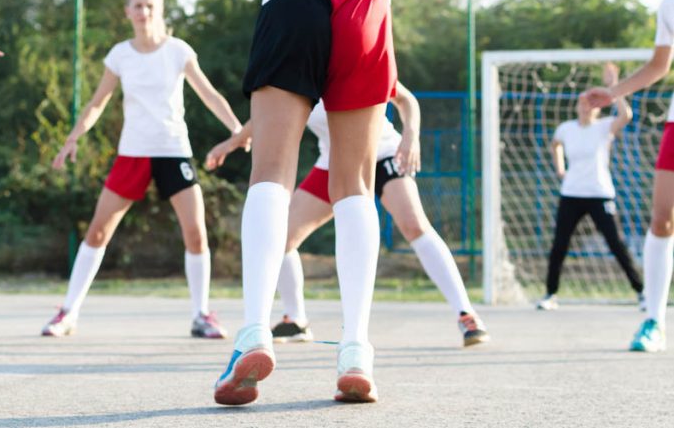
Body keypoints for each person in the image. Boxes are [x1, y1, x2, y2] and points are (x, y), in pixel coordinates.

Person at [177, 0, 403, 404]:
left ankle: (251, 335)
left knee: (271, 170)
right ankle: (355, 349)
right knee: (354, 182)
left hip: (293, 1)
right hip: (364, 3)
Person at [206, 82, 490, 347]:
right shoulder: (300, 71)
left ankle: (467, 315)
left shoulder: (352, 54)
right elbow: (269, 116)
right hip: (333, 164)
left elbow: (406, 100)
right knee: (281, 238)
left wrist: (411, 137)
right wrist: (229, 144)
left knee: (414, 225)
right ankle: (295, 320)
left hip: (383, 155)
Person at [41, 0, 244, 340]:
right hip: (133, 153)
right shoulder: (120, 55)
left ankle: (201, 315)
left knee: (196, 233)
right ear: (127, 11)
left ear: (160, 9)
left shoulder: (179, 50)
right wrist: (73, 138)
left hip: (173, 151)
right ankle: (68, 312)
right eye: (137, 5)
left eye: (150, 5)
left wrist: (237, 130)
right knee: (98, 231)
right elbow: (97, 103)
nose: (144, 11)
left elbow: (209, 95)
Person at [584, 0, 674, 351]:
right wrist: (613, 93)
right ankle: (654, 320)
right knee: (662, 218)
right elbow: (659, 66)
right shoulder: (670, 4)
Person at [536, 62, 644, 311]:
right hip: (571, 194)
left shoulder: (603, 127)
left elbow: (626, 116)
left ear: (595, 108)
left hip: (599, 194)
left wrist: (612, 89)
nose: (584, 107)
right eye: (580, 103)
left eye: (588, 103)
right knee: (559, 244)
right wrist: (560, 169)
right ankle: (550, 294)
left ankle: (641, 291)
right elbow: (556, 145)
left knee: (615, 244)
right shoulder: (566, 129)